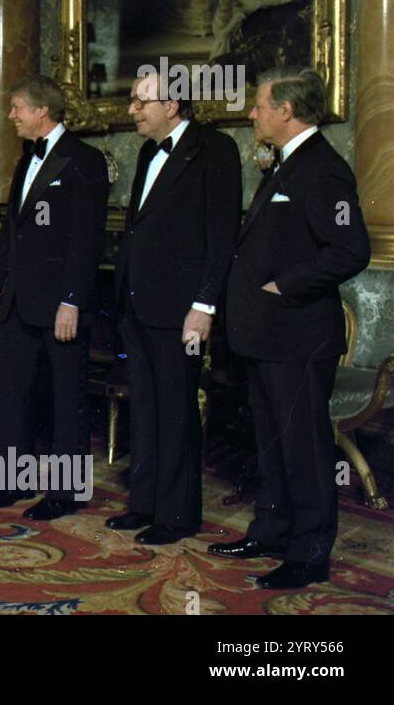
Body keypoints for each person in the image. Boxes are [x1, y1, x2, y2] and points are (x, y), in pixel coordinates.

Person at [211, 66, 369, 589]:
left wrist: (286, 286)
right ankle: (273, 530)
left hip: (298, 337)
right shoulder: (284, 164)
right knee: (272, 443)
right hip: (266, 337)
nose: (252, 114)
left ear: (285, 110)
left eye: (259, 106)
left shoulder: (324, 170)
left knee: (302, 448)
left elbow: (350, 250)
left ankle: (309, 551)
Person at [106, 71, 240, 544]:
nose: (132, 110)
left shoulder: (216, 151)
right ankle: (144, 504)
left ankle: (177, 515)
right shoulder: (146, 151)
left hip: (182, 311)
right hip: (137, 307)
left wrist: (203, 307)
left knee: (177, 410)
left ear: (173, 104)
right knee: (145, 408)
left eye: (141, 102)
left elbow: (221, 237)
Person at [0, 75, 109, 519]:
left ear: (41, 111)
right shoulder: (24, 161)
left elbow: (87, 240)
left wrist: (72, 300)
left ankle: (65, 494)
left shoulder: (84, 160)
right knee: (13, 395)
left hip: (60, 307)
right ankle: (9, 484)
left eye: (17, 107)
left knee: (64, 399)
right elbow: (12, 234)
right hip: (18, 302)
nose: (11, 115)